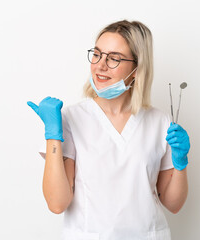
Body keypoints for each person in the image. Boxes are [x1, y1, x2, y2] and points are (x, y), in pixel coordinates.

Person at [27, 20, 190, 240]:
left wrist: (180, 163)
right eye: (96, 54)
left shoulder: (159, 121)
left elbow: (173, 204)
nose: (100, 65)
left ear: (137, 68)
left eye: (114, 58)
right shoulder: (71, 118)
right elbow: (57, 203)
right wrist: (53, 135)